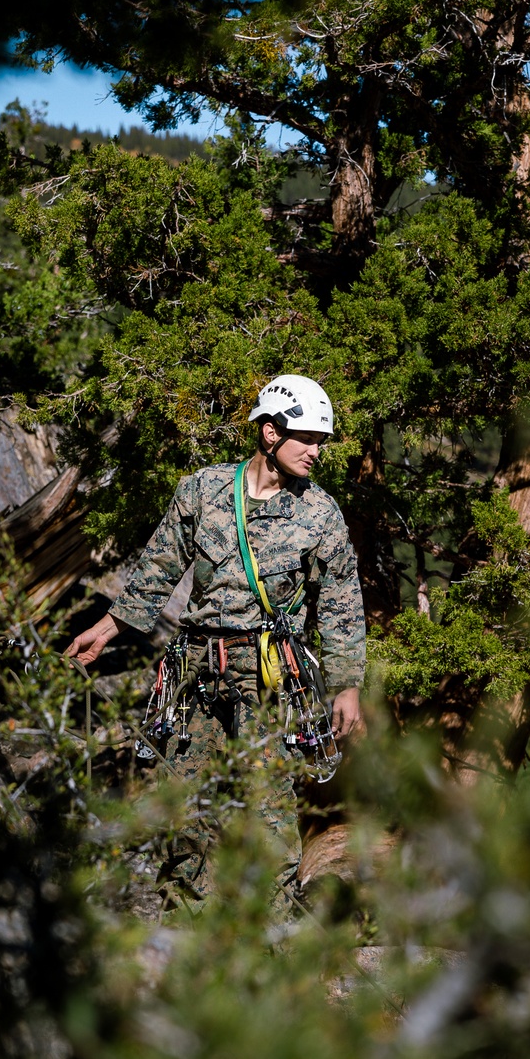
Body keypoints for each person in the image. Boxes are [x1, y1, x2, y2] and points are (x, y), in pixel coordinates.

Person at [66, 374, 366, 901]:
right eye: (309, 438)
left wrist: (346, 686)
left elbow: (341, 604)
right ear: (270, 433)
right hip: (195, 668)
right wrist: (106, 629)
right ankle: (183, 923)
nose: (318, 451)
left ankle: (272, 935)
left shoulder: (321, 514)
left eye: (322, 441)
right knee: (178, 800)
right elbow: (158, 568)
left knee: (266, 805)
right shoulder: (203, 490)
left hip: (270, 676)